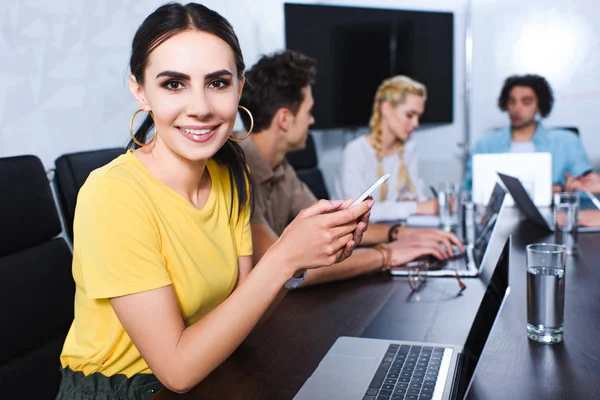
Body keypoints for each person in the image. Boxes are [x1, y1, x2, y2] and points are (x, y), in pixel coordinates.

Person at [56, 3, 373, 398]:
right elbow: (176, 369)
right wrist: (284, 257)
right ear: (140, 91)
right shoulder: (111, 194)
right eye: (174, 84)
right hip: (129, 391)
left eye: (217, 83)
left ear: (240, 87)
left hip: (216, 373)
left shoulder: (229, 171)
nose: (201, 108)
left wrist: (299, 259)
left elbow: (244, 313)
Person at [239, 50, 463, 287]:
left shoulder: (281, 168)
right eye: (308, 112)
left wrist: (398, 234)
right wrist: (386, 254)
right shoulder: (236, 171)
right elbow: (283, 269)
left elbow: (333, 225)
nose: (312, 120)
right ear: (284, 119)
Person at [334, 75, 438, 222]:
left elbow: (419, 197)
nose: (416, 123)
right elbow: (356, 211)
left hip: (390, 232)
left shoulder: (408, 148)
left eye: (418, 117)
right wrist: (414, 207)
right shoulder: (355, 152)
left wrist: (420, 203)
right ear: (386, 109)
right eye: (410, 115)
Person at [463, 74, 594, 191]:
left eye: (526, 102)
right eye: (511, 101)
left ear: (539, 105)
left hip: (552, 215)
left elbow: (587, 189)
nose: (517, 108)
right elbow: (469, 190)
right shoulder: (486, 145)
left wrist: (561, 189)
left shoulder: (566, 142)